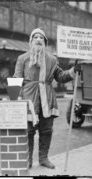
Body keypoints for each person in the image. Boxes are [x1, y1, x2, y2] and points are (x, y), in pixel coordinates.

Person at [13, 28, 80, 169]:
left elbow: (61, 76)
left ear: (45, 42)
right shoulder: (22, 58)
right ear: (31, 41)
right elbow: (16, 79)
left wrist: (74, 71)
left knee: (46, 130)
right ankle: (28, 160)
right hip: (28, 99)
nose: (38, 39)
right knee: (28, 131)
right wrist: (14, 99)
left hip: (47, 100)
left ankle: (43, 158)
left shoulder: (52, 59)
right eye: (35, 37)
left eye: (41, 38)